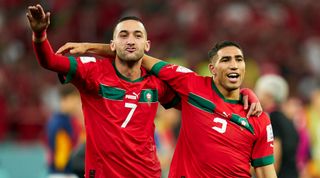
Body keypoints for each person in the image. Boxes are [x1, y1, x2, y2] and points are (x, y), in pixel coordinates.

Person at [27, 4, 262, 177]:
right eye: (123, 35)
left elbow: (205, 101)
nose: (131, 40)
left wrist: (241, 94)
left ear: (147, 45)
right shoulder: (92, 71)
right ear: (113, 44)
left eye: (137, 35)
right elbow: (50, 60)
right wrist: (40, 35)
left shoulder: (156, 83)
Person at [57, 41, 275, 177]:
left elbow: (266, 172)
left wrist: (248, 92)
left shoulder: (257, 117)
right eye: (226, 60)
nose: (234, 64)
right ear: (212, 69)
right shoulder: (192, 85)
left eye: (239, 59)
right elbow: (138, 56)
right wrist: (90, 48)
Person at [255, 74, 299, 178]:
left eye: (259, 92)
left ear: (269, 95)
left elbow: (274, 155)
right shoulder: (287, 119)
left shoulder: (273, 118)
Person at [47, 85, 83, 178]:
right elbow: (62, 156)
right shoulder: (59, 123)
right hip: (62, 174)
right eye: (75, 100)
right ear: (65, 99)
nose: (77, 104)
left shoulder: (68, 120)